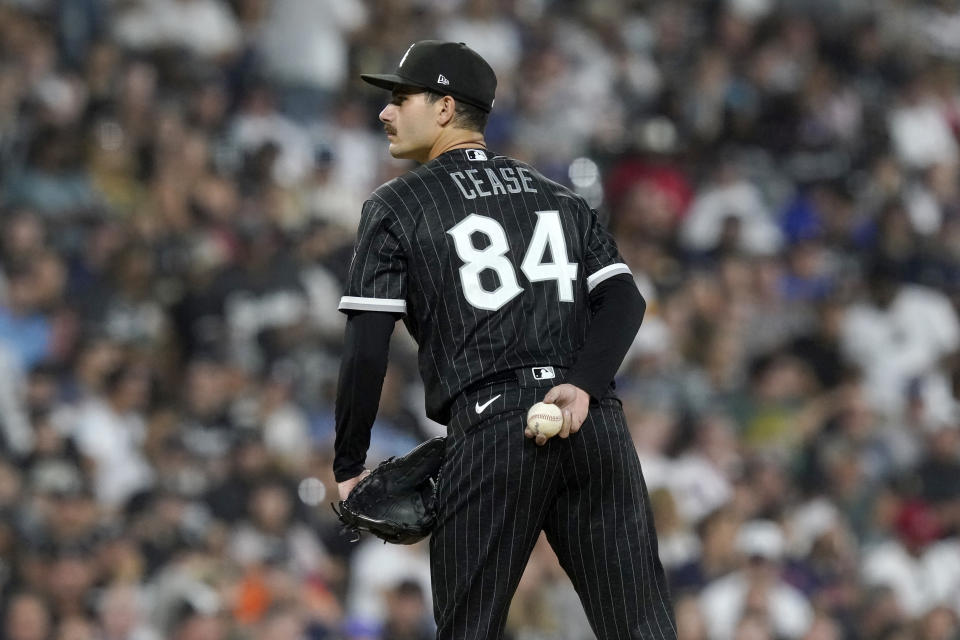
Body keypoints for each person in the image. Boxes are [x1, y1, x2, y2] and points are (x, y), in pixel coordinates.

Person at [333, 40, 677, 639]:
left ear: (444, 108)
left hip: (493, 430)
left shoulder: (397, 204)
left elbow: (367, 348)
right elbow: (625, 300)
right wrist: (581, 386)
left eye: (400, 97)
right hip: (592, 424)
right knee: (643, 630)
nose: (386, 113)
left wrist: (349, 463)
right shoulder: (559, 197)